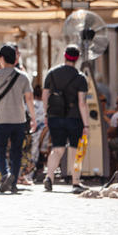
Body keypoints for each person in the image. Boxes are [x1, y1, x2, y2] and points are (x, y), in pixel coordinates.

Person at [0, 44, 36, 193]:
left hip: (1, 119)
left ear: (2, 59)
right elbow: (29, 99)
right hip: (19, 120)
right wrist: (33, 119)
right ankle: (14, 182)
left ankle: (5, 175)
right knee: (16, 152)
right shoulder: (23, 76)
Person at [42, 44, 91, 194]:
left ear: (64, 56)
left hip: (55, 116)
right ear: (77, 59)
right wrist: (87, 125)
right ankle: (76, 181)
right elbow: (82, 103)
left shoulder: (52, 73)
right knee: (76, 150)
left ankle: (49, 177)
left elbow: (45, 96)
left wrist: (46, 113)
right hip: (74, 118)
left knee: (57, 149)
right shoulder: (80, 78)